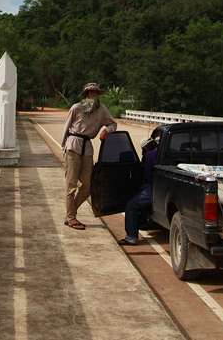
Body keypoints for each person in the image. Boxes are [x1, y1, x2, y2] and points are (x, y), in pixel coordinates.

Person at [62, 82, 117, 230]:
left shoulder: (102, 110)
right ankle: (72, 218)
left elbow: (113, 124)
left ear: (98, 95)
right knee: (71, 185)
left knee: (87, 186)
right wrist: (64, 147)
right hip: (73, 145)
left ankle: (70, 213)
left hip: (87, 148)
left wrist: (106, 131)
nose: (93, 95)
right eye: (90, 93)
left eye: (95, 93)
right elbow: (66, 128)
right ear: (86, 94)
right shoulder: (77, 108)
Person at [118, 135, 159, 245]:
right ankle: (144, 222)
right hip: (166, 189)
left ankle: (131, 237)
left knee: (131, 206)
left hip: (156, 189)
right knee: (142, 190)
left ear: (145, 149)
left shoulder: (150, 155)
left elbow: (149, 177)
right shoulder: (165, 152)